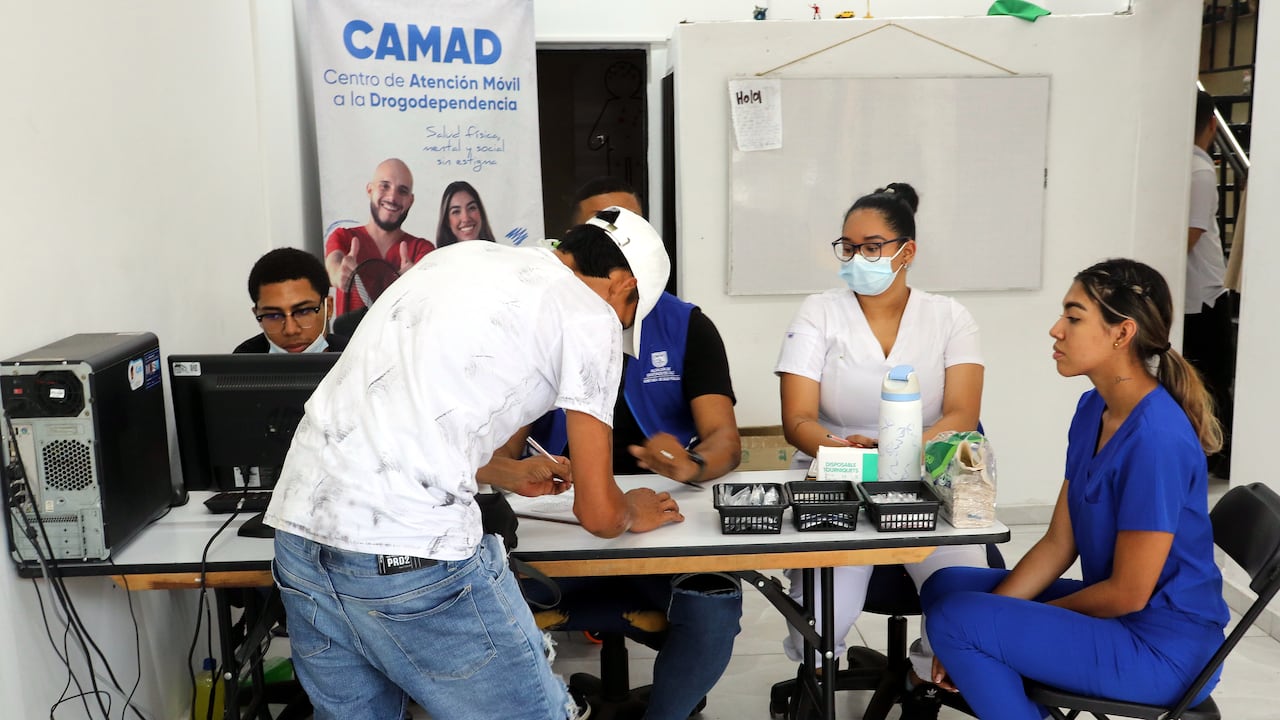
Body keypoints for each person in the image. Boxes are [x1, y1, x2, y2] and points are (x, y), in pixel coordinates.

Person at [263, 207, 682, 720]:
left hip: (300, 538)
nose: (617, 326)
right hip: (410, 551)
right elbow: (599, 515)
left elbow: (406, 414)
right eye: (627, 316)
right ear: (624, 285)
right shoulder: (589, 314)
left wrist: (498, 470)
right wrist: (632, 510)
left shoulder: (458, 259)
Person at [920, 258, 1228, 719]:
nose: (1055, 329)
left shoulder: (1156, 439)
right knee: (948, 589)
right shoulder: (1093, 410)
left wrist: (1005, 623)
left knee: (958, 620)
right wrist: (999, 619)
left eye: (1073, 316)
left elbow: (1128, 593)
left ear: (1121, 334)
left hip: (1165, 651)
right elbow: (1059, 542)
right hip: (1124, 625)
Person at [522, 178, 744, 720]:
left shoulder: (687, 324)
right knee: (482, 595)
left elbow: (726, 442)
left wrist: (692, 464)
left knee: (714, 600)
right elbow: (502, 450)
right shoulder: (537, 322)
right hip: (560, 518)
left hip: (664, 516)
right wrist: (515, 468)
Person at [774, 182, 986, 718]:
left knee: (965, 602)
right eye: (847, 247)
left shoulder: (950, 317)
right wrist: (846, 447)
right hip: (836, 477)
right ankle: (818, 681)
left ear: (906, 252)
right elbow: (797, 418)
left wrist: (898, 448)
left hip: (925, 483)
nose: (856, 258)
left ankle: (923, 675)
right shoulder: (819, 312)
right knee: (823, 622)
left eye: (871, 247)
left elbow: (961, 414)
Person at [1185, 89, 1234, 478]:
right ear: (1213, 124)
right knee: (1213, 378)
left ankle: (1214, 454)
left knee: (1209, 378)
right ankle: (1218, 455)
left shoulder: (1185, 166)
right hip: (1203, 295)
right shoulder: (1200, 169)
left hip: (1195, 294)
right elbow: (1193, 233)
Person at [324, 158, 435, 315]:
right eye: (384, 186)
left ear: (410, 201)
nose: (392, 197)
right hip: (352, 339)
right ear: (370, 190)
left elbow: (432, 295)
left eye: (402, 191)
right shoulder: (343, 237)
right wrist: (338, 273)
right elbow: (333, 263)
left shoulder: (422, 249)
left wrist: (415, 283)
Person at [234, 247, 349, 354]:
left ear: (328, 307)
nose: (290, 330)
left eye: (303, 312)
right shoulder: (240, 366)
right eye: (273, 316)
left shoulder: (359, 357)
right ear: (257, 315)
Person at [434, 180, 496, 247]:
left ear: (480, 212)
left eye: (471, 208)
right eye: (456, 211)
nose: (466, 218)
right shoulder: (437, 257)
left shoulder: (502, 255)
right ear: (447, 221)